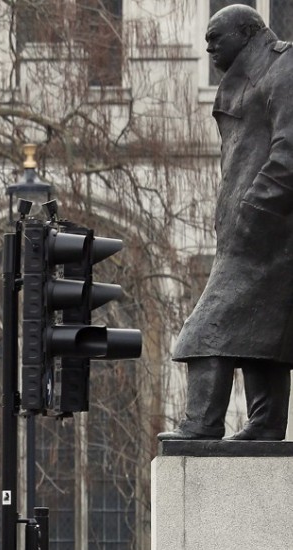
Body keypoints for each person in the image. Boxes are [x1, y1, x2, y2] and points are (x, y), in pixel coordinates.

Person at [160, 3, 293, 442]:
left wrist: (255, 208)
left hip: (267, 231)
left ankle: (202, 423)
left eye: (217, 37)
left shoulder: (283, 67)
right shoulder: (253, 74)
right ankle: (265, 424)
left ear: (248, 32)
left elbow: (289, 151)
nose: (209, 46)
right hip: (251, 231)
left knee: (204, 331)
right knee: (261, 330)